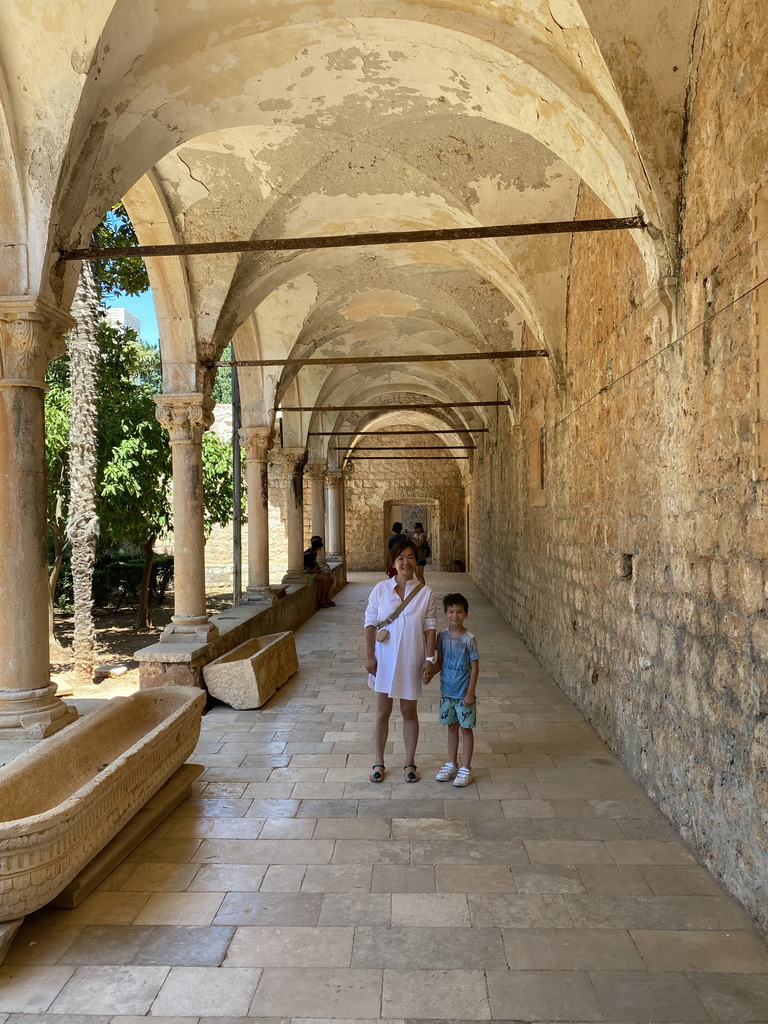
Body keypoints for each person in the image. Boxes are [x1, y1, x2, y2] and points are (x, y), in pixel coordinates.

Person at [364, 538, 437, 783]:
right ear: (393, 563)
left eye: (410, 557)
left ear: (416, 562)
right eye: (400, 558)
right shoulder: (380, 590)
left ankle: (409, 762)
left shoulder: (426, 594)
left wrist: (429, 658)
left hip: (410, 658)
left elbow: (430, 627)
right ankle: (378, 762)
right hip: (383, 658)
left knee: (409, 712)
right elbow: (370, 623)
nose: (406, 562)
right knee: (382, 713)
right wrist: (369, 655)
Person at [434, 592, 480, 787]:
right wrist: (428, 673)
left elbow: (475, 666)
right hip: (447, 693)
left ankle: (466, 768)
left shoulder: (469, 639)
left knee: (466, 729)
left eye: (459, 612)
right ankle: (452, 763)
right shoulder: (442, 637)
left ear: (466, 614)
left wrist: (470, 693)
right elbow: (440, 662)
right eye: (451, 611)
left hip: (463, 695)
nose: (455, 615)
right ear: (445, 613)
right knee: (452, 727)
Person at [304, 536, 335, 608]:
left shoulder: (313, 552)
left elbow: (314, 564)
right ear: (318, 547)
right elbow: (308, 571)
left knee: (330, 578)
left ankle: (327, 598)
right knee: (325, 579)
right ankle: (322, 599)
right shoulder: (309, 555)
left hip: (313, 571)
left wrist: (319, 570)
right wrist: (319, 571)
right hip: (307, 574)